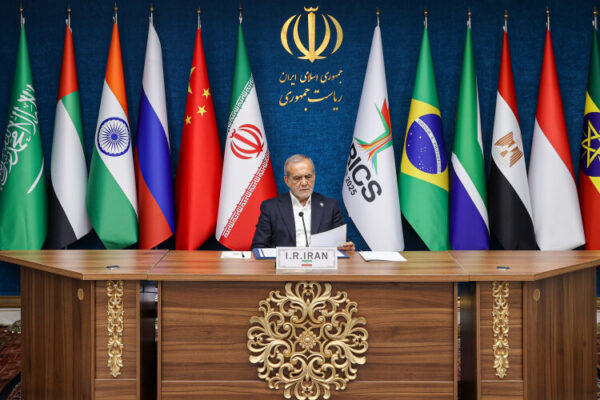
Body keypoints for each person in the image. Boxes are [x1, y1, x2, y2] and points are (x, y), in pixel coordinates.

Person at [251, 154, 355, 251]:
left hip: (320, 263)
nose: (304, 183)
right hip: (284, 264)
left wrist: (347, 248)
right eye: (297, 178)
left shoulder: (330, 207)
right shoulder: (271, 208)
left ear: (314, 176)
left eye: (308, 177)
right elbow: (259, 247)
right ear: (287, 181)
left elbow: (342, 244)